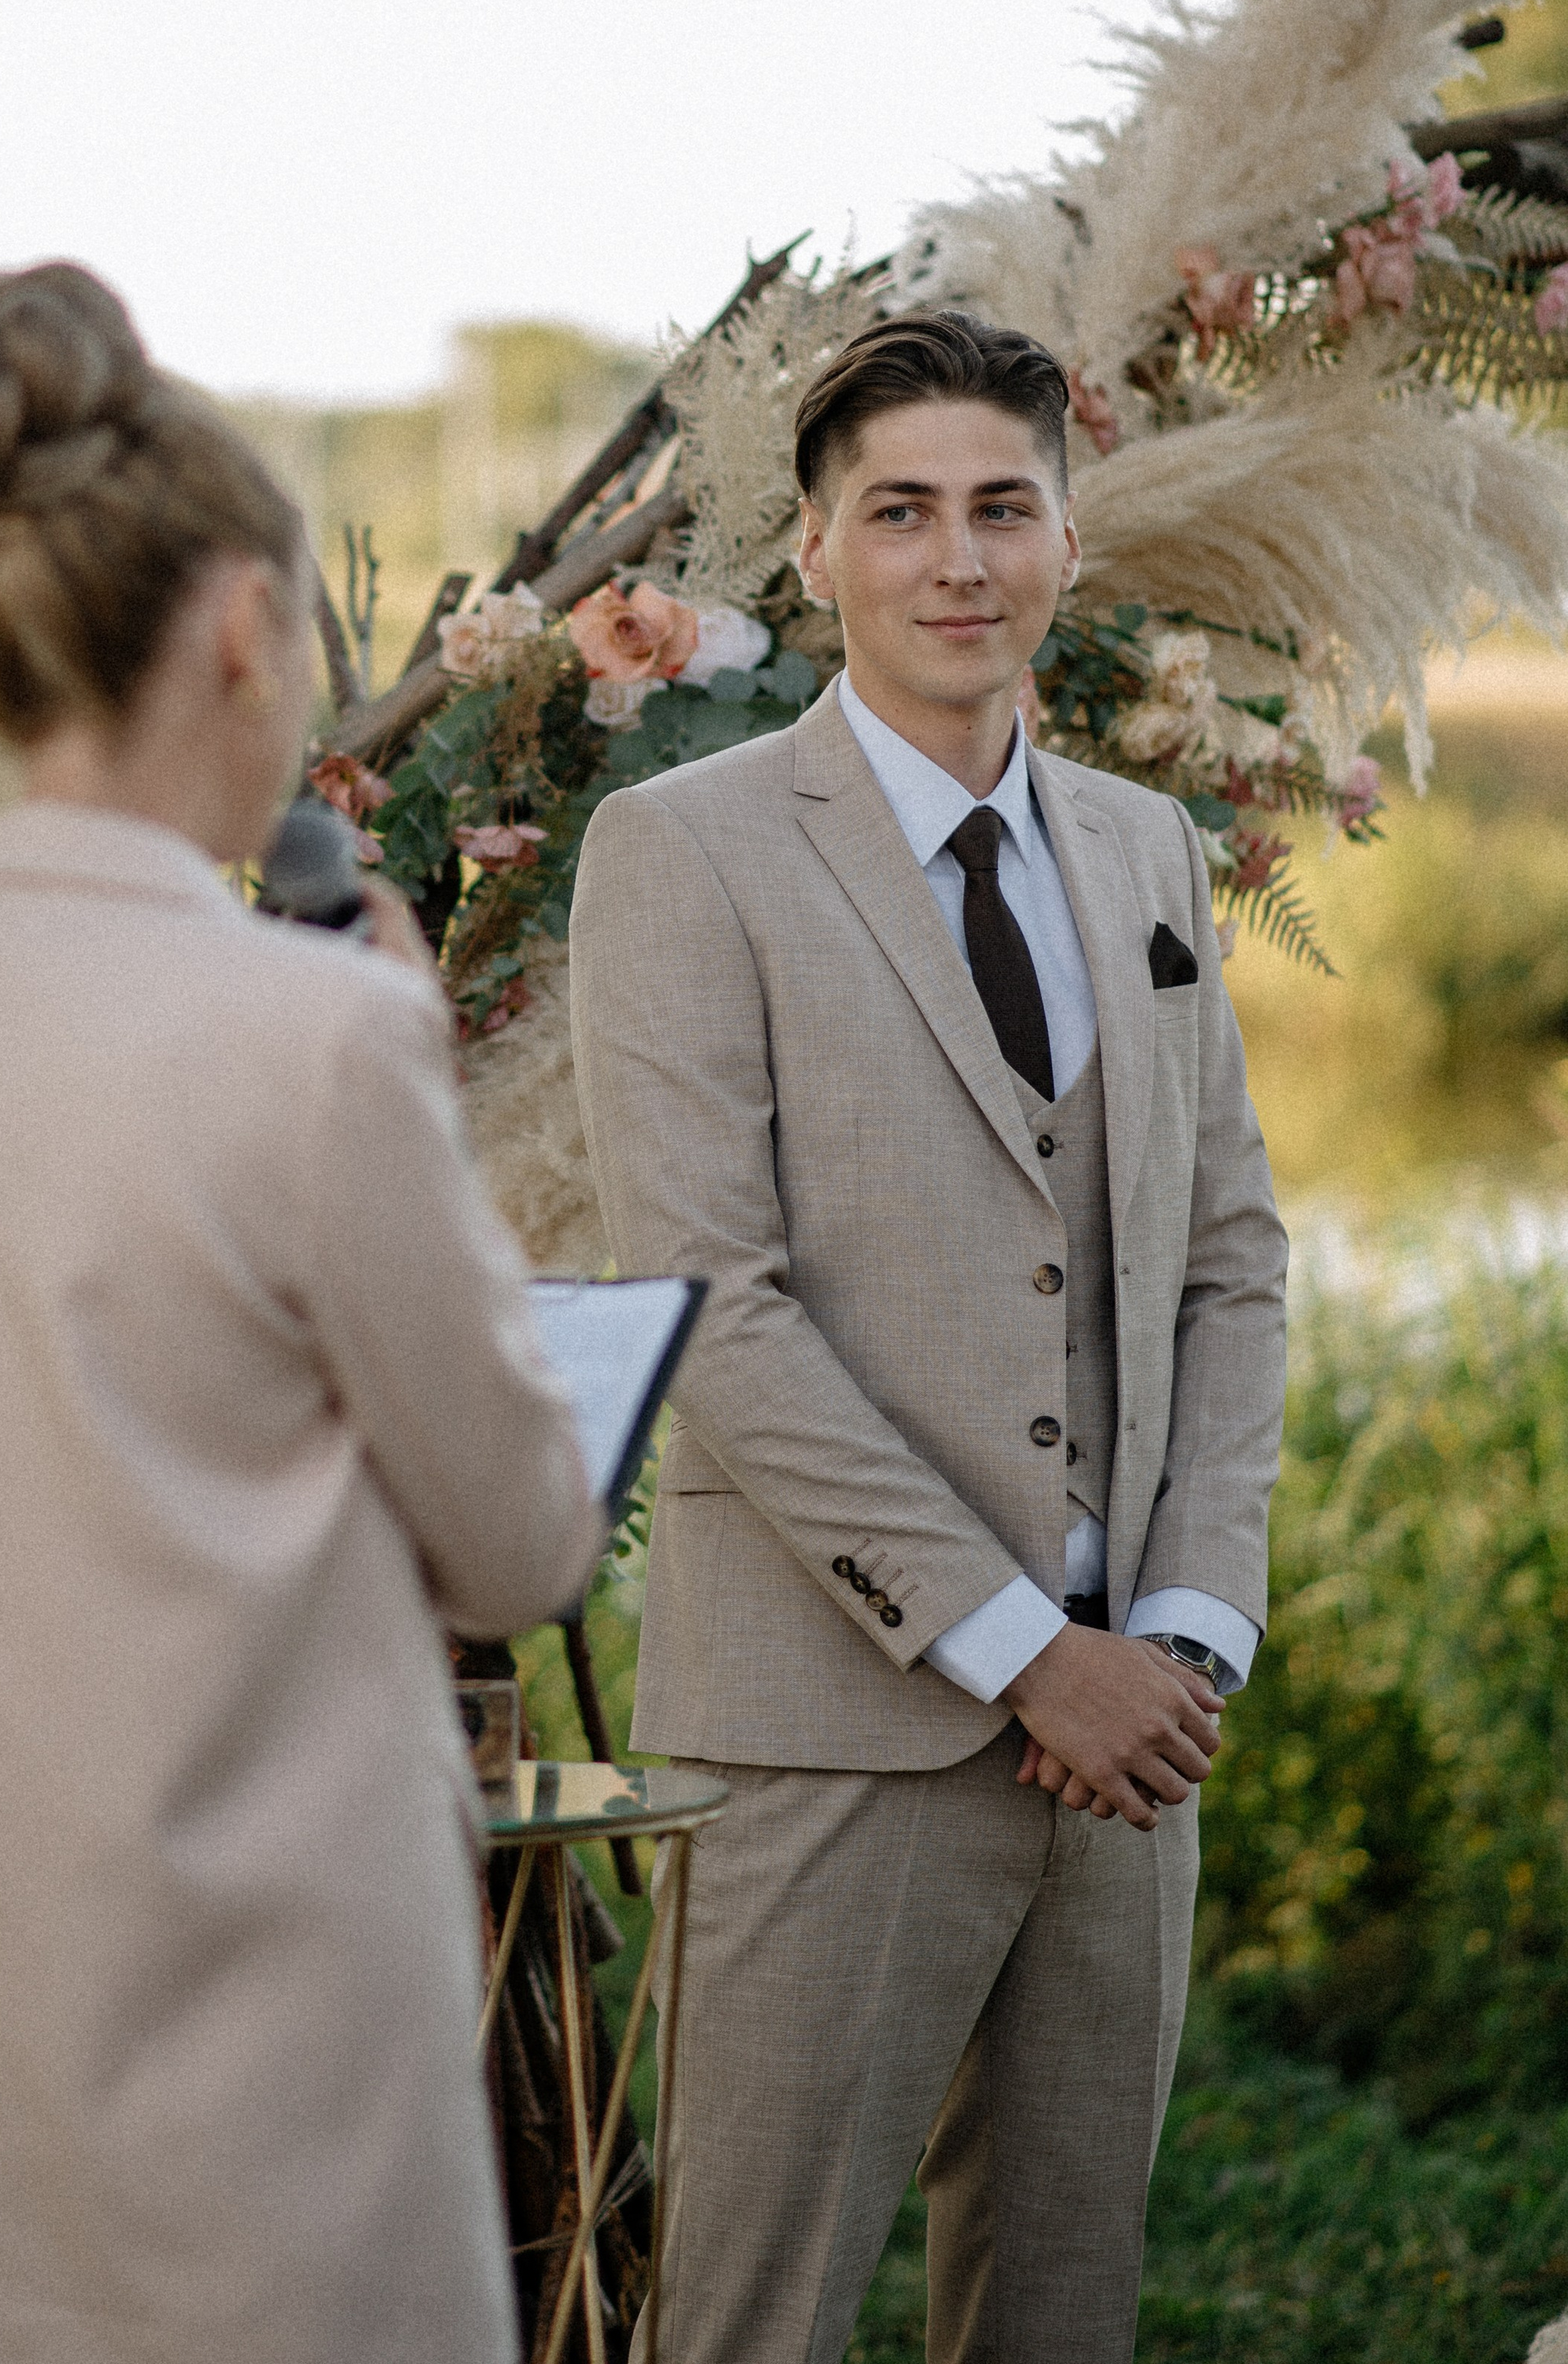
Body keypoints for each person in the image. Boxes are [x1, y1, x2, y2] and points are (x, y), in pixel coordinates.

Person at [0, 262, 602, 2364]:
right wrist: (414, 1092)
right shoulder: (322, 1047)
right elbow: (522, 1538)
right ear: (248, 628)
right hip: (281, 2067)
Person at [569, 309, 1288, 2364]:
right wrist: (1018, 1648)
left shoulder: (1150, 851)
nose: (956, 559)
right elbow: (711, 1308)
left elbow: (1233, 1256)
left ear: (1068, 536)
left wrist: (1180, 1629)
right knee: (748, 2321)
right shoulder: (683, 855)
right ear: (813, 551)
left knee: (1062, 2316)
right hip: (821, 1729)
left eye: (1002, 506)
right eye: (902, 512)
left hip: (1130, 1750)